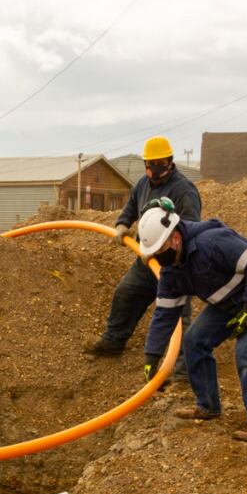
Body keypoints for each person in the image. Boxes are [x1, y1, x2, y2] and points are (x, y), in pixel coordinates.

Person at [137, 198, 247, 444]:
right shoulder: (172, 270)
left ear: (175, 238)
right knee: (194, 340)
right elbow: (164, 315)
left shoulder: (213, 242)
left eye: (159, 251)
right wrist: (151, 358)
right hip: (229, 300)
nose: (157, 258)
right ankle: (207, 406)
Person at [86, 136, 201, 361]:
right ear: (146, 164)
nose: (156, 168)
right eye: (152, 164)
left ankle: (181, 373)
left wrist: (169, 250)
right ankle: (113, 342)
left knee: (178, 317)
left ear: (170, 161)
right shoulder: (142, 185)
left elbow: (189, 228)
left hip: (174, 263)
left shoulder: (183, 191)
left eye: (161, 163)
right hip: (145, 258)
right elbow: (130, 209)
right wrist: (122, 225)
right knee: (126, 294)